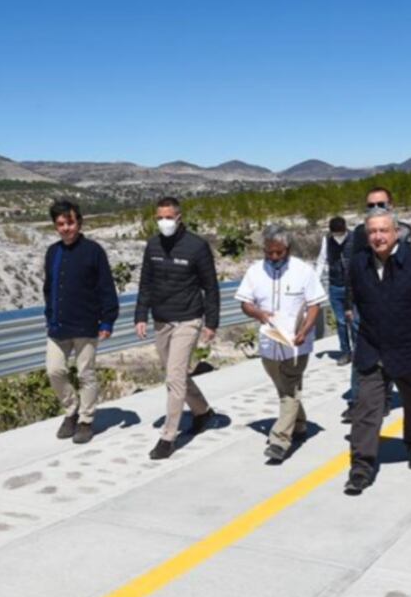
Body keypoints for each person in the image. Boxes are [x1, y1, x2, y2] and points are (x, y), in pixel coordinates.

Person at [344, 208, 411, 495]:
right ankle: (360, 467)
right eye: (372, 231)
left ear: (396, 231)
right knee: (366, 408)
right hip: (371, 346)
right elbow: (356, 298)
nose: (378, 237)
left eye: (383, 230)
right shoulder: (358, 263)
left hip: (409, 346)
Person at [134, 196, 221, 460]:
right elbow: (145, 283)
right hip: (162, 320)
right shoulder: (152, 246)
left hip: (188, 319)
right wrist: (140, 316)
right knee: (176, 375)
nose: (164, 222)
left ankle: (168, 437)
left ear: (179, 217)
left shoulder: (196, 246)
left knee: (173, 377)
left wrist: (211, 322)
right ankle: (203, 411)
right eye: (159, 218)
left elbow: (210, 286)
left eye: (169, 217)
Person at [236, 225, 327, 462]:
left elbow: (315, 304)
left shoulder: (303, 271)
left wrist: (306, 330)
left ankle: (279, 440)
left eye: (279, 253)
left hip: (297, 344)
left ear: (288, 249)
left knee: (289, 387)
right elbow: (244, 303)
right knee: (286, 389)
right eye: (269, 253)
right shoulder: (255, 272)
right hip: (269, 344)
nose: (274, 257)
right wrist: (258, 313)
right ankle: (300, 424)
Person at [43, 199, 120, 445]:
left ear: (79, 222)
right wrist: (49, 313)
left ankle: (86, 420)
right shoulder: (52, 252)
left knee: (86, 373)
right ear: (56, 226)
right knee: (54, 370)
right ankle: (71, 409)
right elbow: (49, 288)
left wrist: (107, 321)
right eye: (61, 224)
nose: (66, 228)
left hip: (86, 324)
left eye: (70, 222)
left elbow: (106, 288)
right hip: (58, 326)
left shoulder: (93, 251)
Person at [344, 186, 411, 421]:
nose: (376, 208)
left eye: (381, 204)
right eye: (371, 205)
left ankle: (384, 398)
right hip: (365, 304)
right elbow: (353, 269)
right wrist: (348, 303)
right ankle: (358, 402)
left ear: (391, 205)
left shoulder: (404, 231)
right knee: (361, 355)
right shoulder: (359, 232)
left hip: (395, 304)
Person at [314, 216, 357, 366]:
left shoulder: (355, 238)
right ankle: (346, 352)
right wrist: (314, 282)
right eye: (335, 234)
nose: (338, 237)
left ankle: (359, 352)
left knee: (355, 321)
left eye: (341, 233)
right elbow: (321, 261)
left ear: (346, 229)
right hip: (335, 286)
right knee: (341, 322)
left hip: (354, 287)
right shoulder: (327, 240)